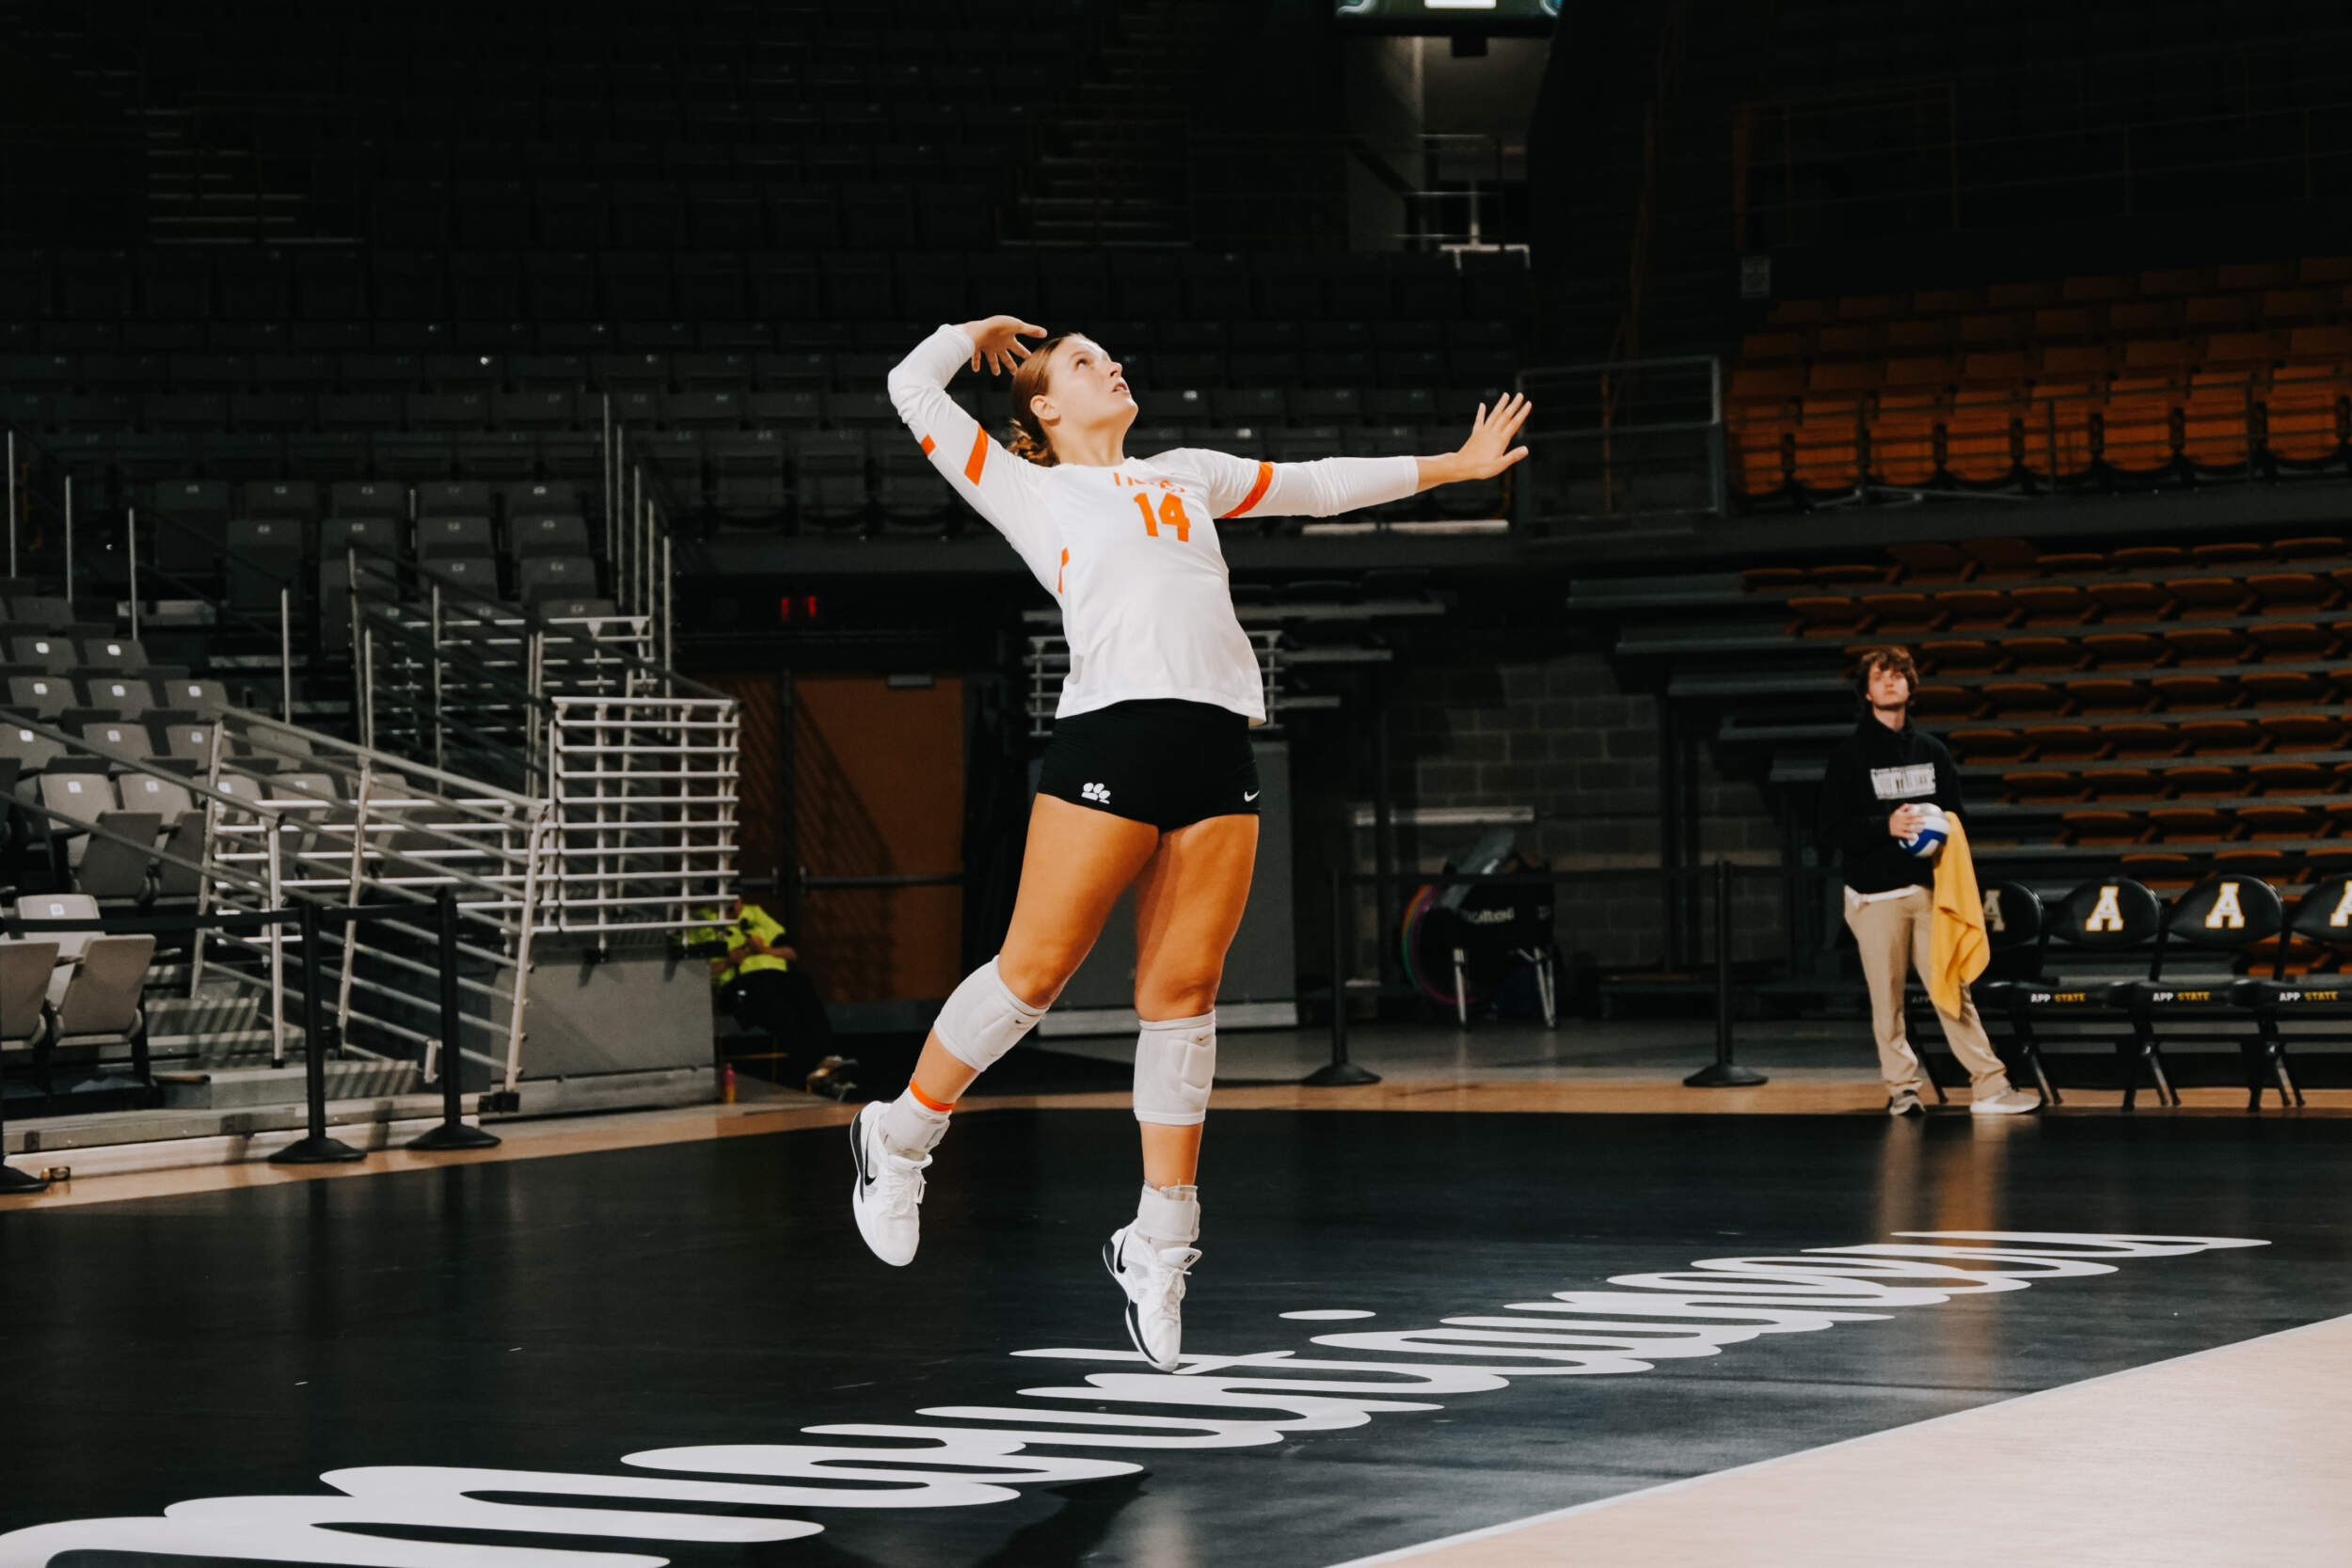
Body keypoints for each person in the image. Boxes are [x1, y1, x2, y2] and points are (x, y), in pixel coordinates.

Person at [856, 314, 1532, 1369]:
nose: (1111, 364)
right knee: (1034, 972)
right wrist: (969, 332)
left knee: (1184, 995)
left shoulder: (1188, 471)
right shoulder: (1027, 487)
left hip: (1217, 739)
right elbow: (911, 388)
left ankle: (1160, 1239)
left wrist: (1454, 465)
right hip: (1112, 733)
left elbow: (1317, 486)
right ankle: (900, 1134)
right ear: (1044, 406)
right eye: (1084, 362)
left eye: (1110, 355)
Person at [1816, 646, 2040, 1117]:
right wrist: (1887, 826)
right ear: (1867, 692)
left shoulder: (1931, 751)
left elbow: (1957, 816)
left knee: (1952, 990)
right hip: (1875, 897)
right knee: (1888, 1001)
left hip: (1929, 892)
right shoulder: (1849, 756)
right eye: (1880, 676)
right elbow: (1832, 831)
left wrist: (1936, 825)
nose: (1890, 681)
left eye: (1898, 674)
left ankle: (1990, 1087)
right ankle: (1902, 1089)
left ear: (1911, 686)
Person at [697, 896, 835, 1090]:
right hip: (738, 985)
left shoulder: (755, 914)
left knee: (802, 985)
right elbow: (697, 972)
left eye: (737, 899)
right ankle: (811, 1070)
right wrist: (728, 961)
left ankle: (827, 1060)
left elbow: (790, 953)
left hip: (776, 978)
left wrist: (764, 949)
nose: (735, 904)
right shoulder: (700, 922)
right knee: (777, 1007)